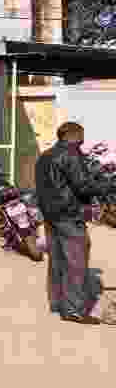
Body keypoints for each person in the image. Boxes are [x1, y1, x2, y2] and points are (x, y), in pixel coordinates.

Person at [35, 121, 114, 325]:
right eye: (82, 135)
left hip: (50, 216)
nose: (83, 139)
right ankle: (74, 310)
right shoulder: (71, 154)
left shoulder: (45, 155)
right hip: (69, 215)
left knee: (57, 261)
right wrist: (108, 185)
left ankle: (57, 303)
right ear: (74, 135)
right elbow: (83, 186)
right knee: (76, 262)